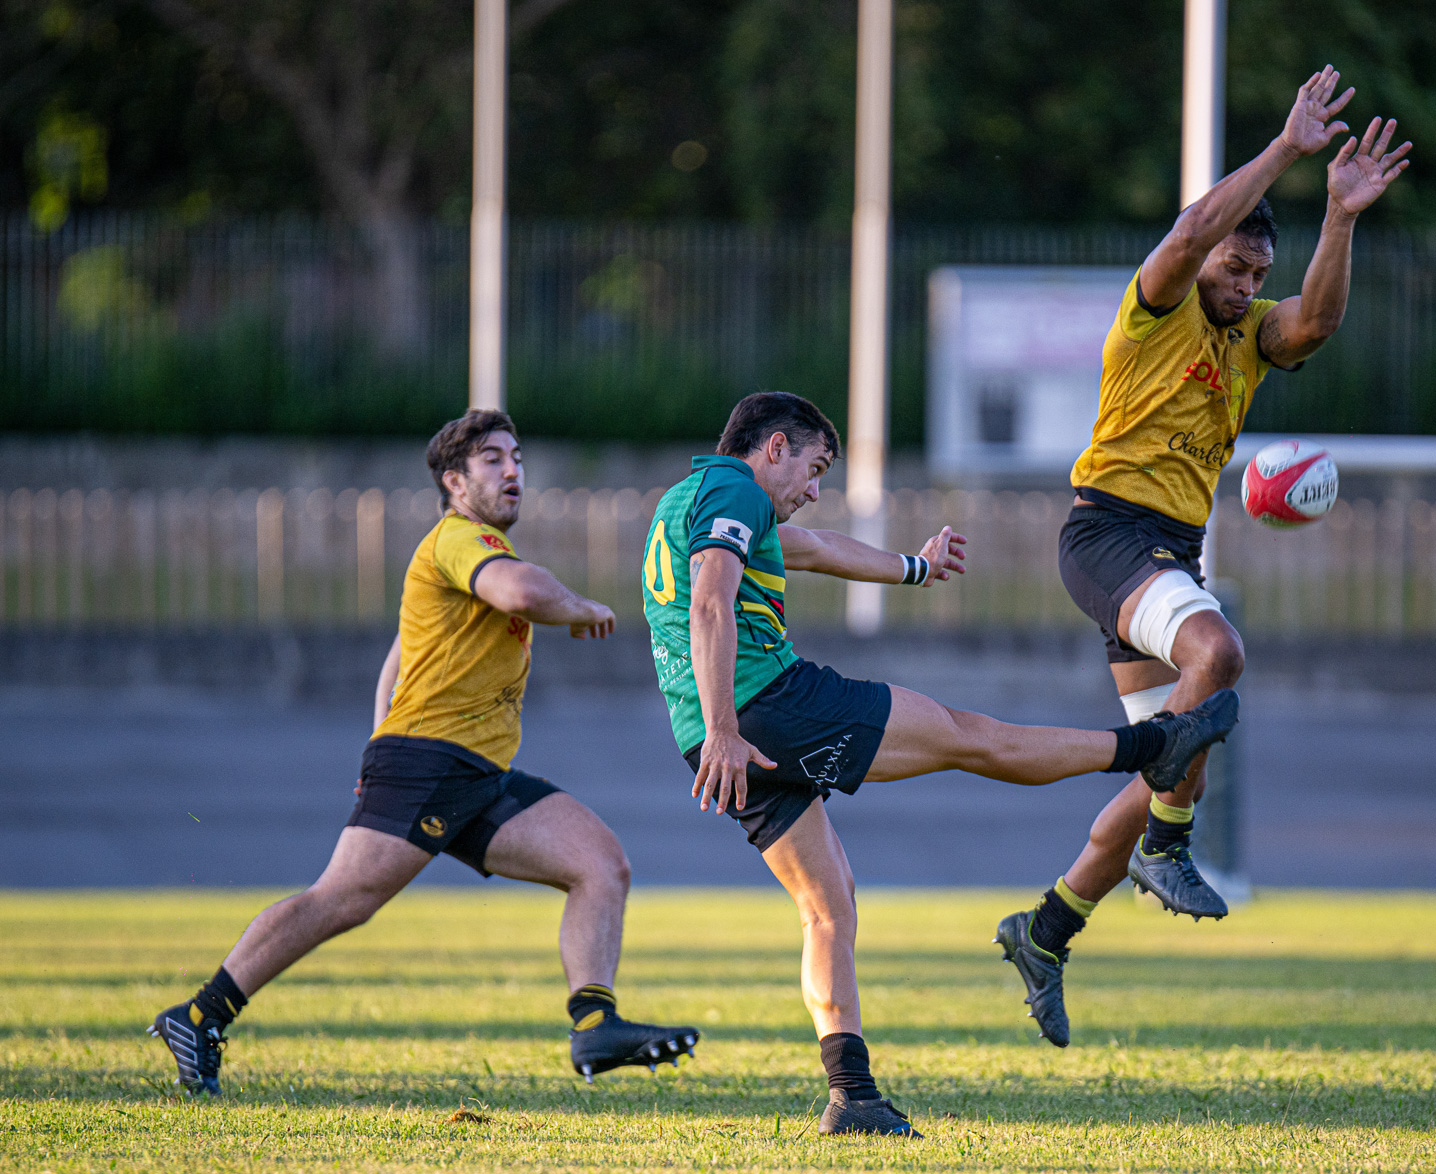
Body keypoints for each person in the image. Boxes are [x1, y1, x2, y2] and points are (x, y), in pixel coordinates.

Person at [642, 390, 1238, 1136]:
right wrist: (732, 725)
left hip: (707, 736)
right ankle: (1154, 746)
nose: (813, 489)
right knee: (968, 736)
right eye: (814, 468)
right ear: (772, 449)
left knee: (829, 907)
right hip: (761, 708)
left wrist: (914, 570)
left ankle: (851, 1096)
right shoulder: (734, 487)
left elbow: (818, 548)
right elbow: (709, 604)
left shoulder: (688, 501)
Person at [997, 66, 1412, 1046]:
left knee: (1173, 769)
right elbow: (1185, 237)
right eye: (1235, 268)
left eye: (1255, 274)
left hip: (1164, 549)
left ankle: (1047, 929)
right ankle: (1168, 852)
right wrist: (1286, 151)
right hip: (1107, 532)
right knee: (1217, 657)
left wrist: (1339, 217)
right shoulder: (1162, 307)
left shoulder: (1249, 337)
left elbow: (1317, 323)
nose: (1244, 284)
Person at [150, 410, 697, 1096]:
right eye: (492, 459)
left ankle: (594, 1024)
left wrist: (378, 738)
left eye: (517, 457)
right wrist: (579, 603)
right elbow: (522, 591)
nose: (512, 470)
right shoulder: (463, 542)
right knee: (342, 901)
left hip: (474, 771)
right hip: (432, 763)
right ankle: (199, 1015)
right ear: (454, 480)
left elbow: (400, 654)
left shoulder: (464, 553)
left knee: (599, 864)